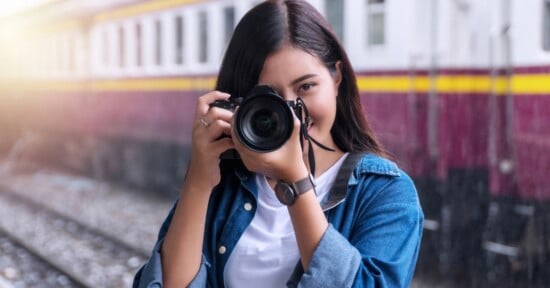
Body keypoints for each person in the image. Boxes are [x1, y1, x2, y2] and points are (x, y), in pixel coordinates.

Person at [133, 1, 423, 287]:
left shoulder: (386, 193)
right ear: (241, 104)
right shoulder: (222, 187)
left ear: (337, 78)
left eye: (306, 87)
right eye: (268, 97)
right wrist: (198, 179)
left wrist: (295, 182)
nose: (291, 112)